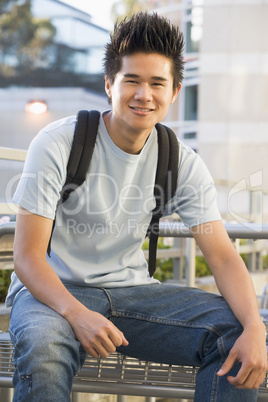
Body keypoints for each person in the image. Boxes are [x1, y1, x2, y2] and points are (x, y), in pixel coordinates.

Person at [6, 12, 267, 402]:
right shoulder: (59, 143)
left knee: (239, 336)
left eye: (157, 83)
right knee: (44, 351)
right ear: (109, 84)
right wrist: (78, 314)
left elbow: (224, 258)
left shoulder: (180, 161)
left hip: (132, 296)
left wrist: (254, 329)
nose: (144, 95)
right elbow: (26, 257)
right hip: (53, 295)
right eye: (132, 81)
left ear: (175, 91)